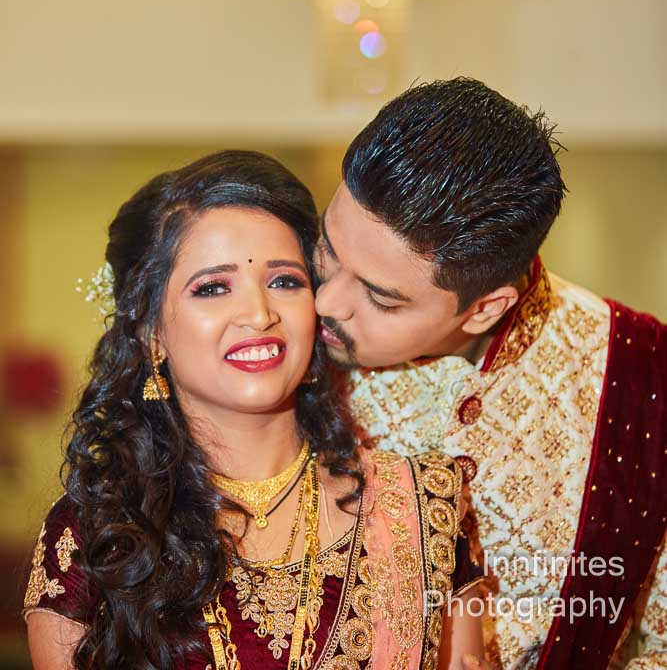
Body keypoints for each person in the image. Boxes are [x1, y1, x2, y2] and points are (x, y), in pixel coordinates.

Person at [23, 149, 485, 670]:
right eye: (212, 288)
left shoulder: (419, 507)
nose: (259, 314)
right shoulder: (97, 535)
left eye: (284, 281)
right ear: (152, 332)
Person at [314, 78, 666, 670]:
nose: (326, 302)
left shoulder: (643, 374)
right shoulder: (278, 336)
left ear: (484, 309)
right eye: (327, 248)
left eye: (380, 297)